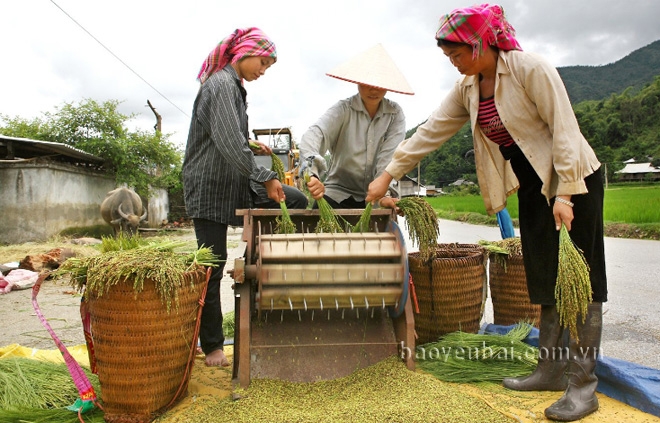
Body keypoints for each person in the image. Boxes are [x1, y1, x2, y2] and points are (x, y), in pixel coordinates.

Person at [366, 4, 607, 421]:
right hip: (533, 186)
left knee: (581, 284)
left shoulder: (530, 70)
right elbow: (431, 131)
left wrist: (566, 195)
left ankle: (583, 386)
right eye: (448, 57)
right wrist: (388, 174)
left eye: (457, 54)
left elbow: (565, 129)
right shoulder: (469, 88)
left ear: (481, 43)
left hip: (575, 182)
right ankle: (550, 368)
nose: (454, 62)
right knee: (545, 278)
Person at [182, 27, 306, 368]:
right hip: (209, 186)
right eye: (263, 62)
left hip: (234, 182)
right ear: (244, 53)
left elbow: (231, 137)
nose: (263, 71)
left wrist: (252, 145)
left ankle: (262, 274)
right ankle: (212, 346)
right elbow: (225, 143)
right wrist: (265, 177)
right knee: (213, 264)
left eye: (267, 66)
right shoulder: (221, 85)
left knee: (294, 200)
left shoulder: (234, 87)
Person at [300, 44, 413, 209]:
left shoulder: (394, 114)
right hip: (337, 192)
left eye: (379, 84)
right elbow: (316, 134)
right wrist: (312, 174)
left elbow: (389, 157)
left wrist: (384, 194)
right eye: (368, 82)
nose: (373, 89)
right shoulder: (343, 110)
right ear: (358, 81)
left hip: (375, 196)